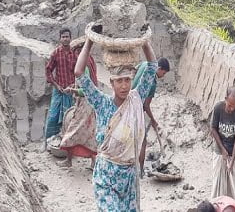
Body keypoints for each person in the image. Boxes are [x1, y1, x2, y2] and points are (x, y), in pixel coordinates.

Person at [74, 34, 158, 212]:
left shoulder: (136, 98)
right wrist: (89, 42)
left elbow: (152, 67)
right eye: (119, 81)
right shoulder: (102, 102)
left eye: (127, 80)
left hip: (129, 177)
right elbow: (79, 73)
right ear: (111, 83)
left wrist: (145, 42)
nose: (124, 86)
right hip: (107, 176)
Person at [57, 36, 98, 168]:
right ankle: (93, 162)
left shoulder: (84, 66)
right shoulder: (90, 62)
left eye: (75, 52)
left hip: (85, 104)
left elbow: (86, 90)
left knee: (72, 130)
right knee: (89, 132)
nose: (74, 55)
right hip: (90, 104)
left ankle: (69, 161)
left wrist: (73, 91)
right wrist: (73, 87)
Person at [131, 58, 170, 176]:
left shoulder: (144, 64)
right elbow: (146, 105)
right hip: (136, 109)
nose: (163, 76)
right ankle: (141, 170)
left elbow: (134, 69)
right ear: (159, 69)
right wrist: (153, 120)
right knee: (143, 141)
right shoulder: (152, 82)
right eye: (163, 73)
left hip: (129, 101)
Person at [210, 87, 235, 202]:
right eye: (229, 105)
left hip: (234, 154)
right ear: (225, 99)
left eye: (234, 105)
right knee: (218, 186)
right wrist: (223, 150)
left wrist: (232, 159)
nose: (231, 108)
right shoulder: (218, 108)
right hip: (219, 152)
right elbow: (213, 129)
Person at [45, 28, 76, 138]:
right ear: (60, 39)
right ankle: (49, 140)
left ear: (70, 38)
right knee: (53, 116)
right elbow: (48, 69)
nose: (65, 39)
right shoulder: (56, 53)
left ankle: (66, 142)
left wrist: (73, 85)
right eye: (63, 37)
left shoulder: (75, 54)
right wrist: (56, 85)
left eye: (67, 36)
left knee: (70, 117)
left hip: (71, 91)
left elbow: (78, 73)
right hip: (58, 90)